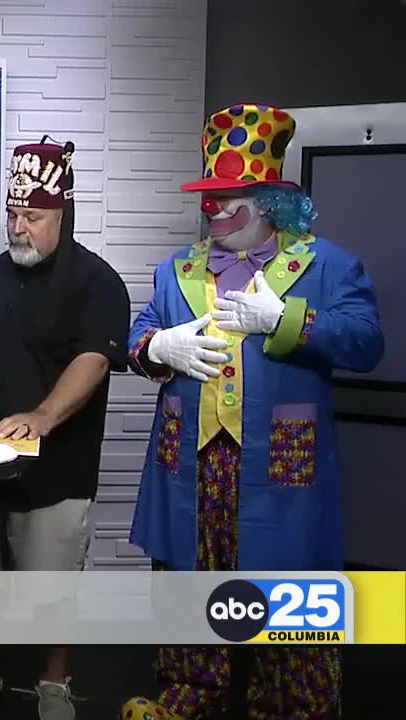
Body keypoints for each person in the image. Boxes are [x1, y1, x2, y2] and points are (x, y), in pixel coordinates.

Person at [121, 104, 383, 720]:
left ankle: (294, 705)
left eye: (226, 197)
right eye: (207, 196)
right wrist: (156, 348)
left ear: (267, 202)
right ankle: (191, 692)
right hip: (193, 460)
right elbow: (138, 335)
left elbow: (367, 343)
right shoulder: (175, 269)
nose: (211, 207)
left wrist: (286, 319)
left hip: (280, 461)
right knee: (188, 575)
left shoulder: (327, 265)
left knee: (289, 581)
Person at [0, 138, 131, 720]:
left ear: (64, 213)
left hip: (58, 468)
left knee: (53, 588)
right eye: (12, 214)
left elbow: (95, 359)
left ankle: (55, 681)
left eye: (32, 217)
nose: (18, 228)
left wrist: (42, 417)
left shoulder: (97, 282)